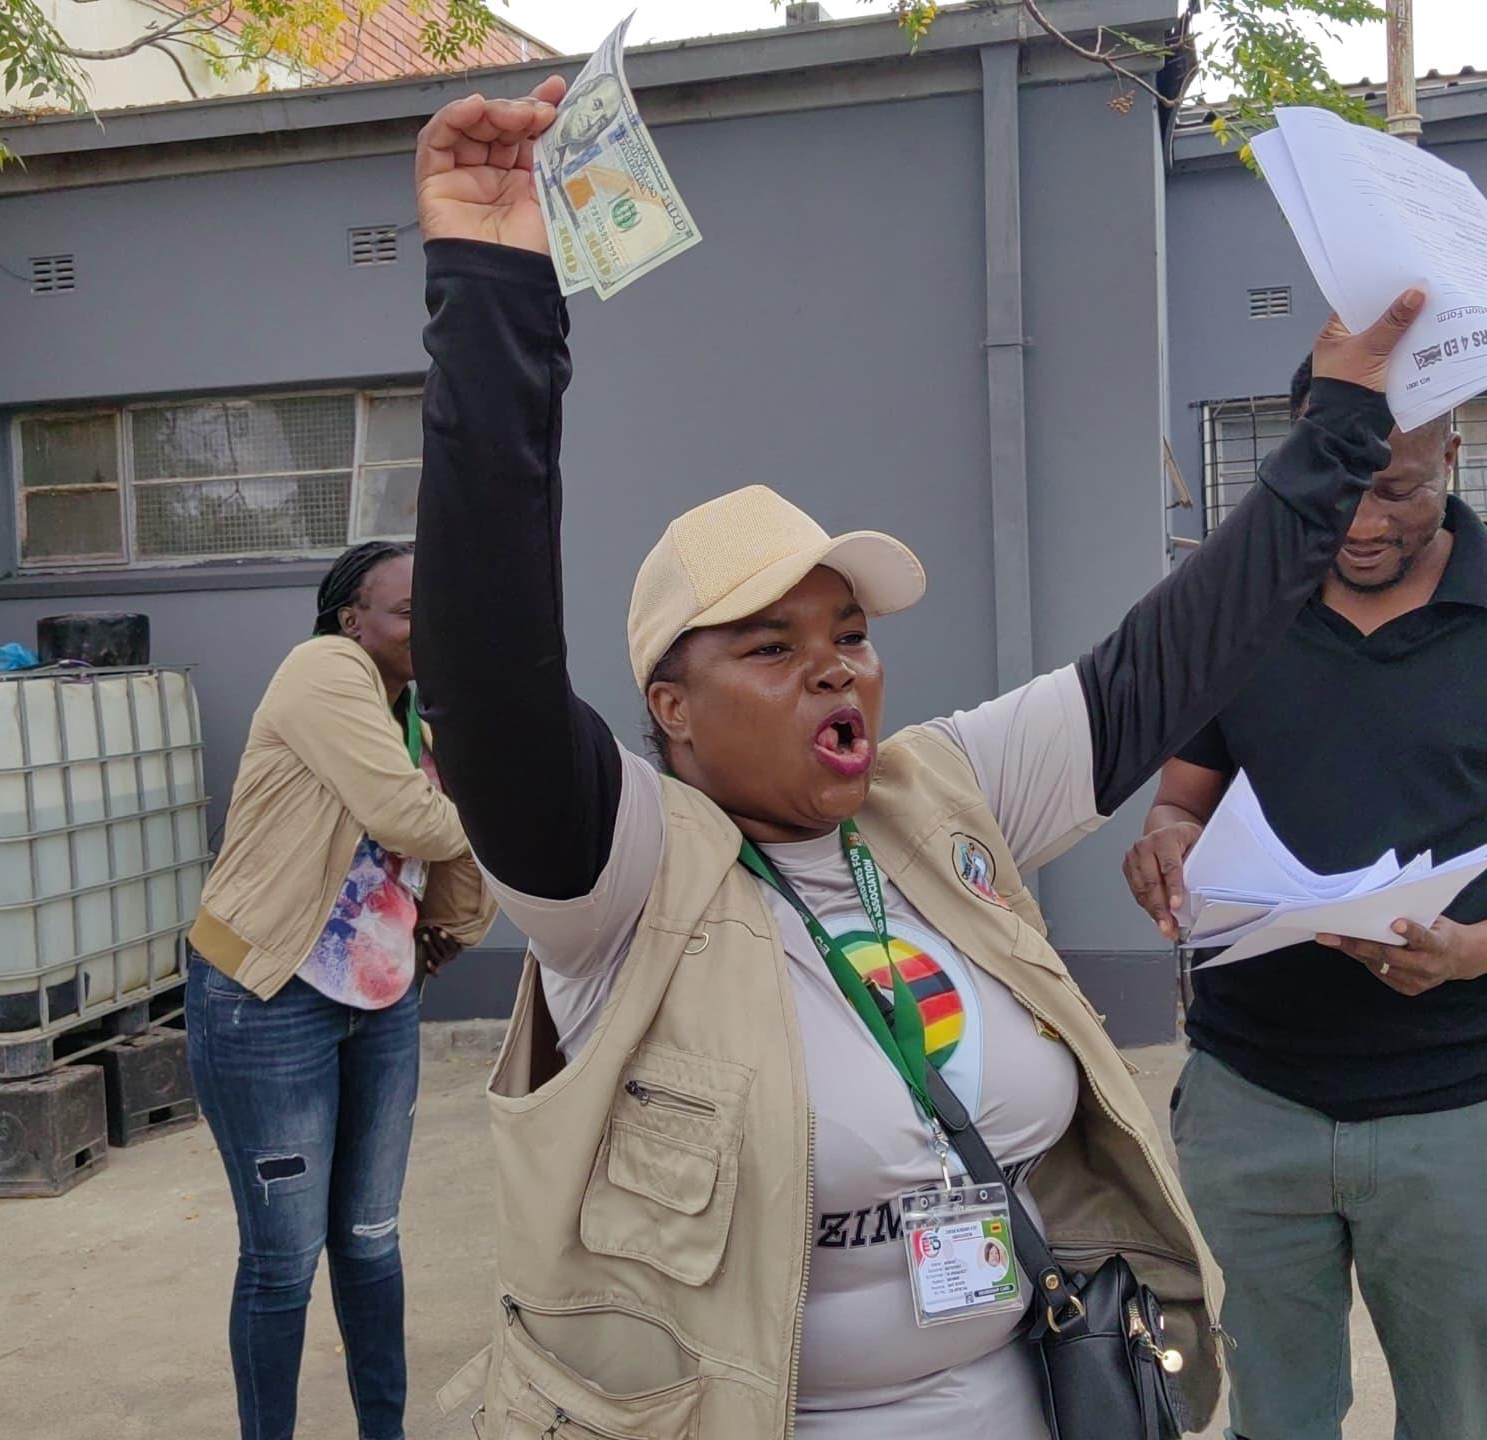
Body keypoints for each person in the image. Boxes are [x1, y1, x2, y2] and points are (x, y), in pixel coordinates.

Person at [406, 80, 1424, 1439]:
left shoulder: (931, 795)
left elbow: (1165, 661)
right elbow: (490, 671)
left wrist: (1340, 423)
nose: (837, 667)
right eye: (770, 647)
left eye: (850, 633)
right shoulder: (621, 875)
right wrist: (491, 294)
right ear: (673, 707)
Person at [1121, 358, 1487, 1440]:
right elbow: (1180, 799)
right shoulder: (1239, 611)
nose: (1359, 523)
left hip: (1457, 1112)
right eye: (1337, 484)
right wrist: (1166, 844)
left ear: (1453, 453)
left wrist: (1472, 949)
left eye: (1398, 488)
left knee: (1460, 1416)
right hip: (1250, 1101)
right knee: (1275, 1413)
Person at [181, 540, 497, 1440]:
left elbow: (438, 846)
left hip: (381, 1000)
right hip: (267, 999)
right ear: (351, 618)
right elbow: (408, 816)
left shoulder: (417, 714)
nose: (429, 627)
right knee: (283, 1259)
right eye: (408, 611)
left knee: (370, 1239)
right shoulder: (322, 671)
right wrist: (494, 813)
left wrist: (445, 924)